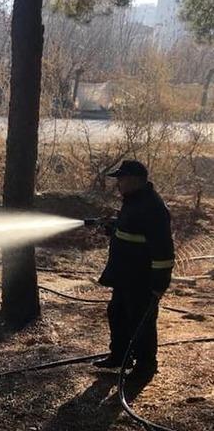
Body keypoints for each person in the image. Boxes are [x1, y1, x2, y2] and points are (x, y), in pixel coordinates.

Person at [93, 160, 174, 380]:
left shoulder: (153, 208)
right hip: (125, 276)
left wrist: (159, 283)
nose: (117, 183)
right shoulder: (134, 201)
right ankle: (120, 356)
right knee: (117, 314)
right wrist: (114, 228)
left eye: (121, 178)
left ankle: (146, 365)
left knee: (141, 321)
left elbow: (163, 250)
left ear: (135, 180)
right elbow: (132, 232)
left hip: (141, 279)